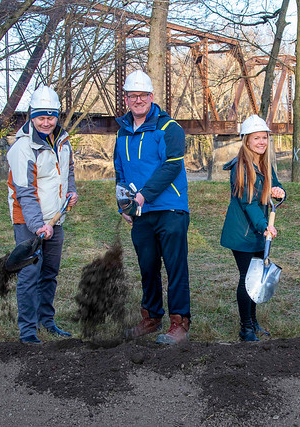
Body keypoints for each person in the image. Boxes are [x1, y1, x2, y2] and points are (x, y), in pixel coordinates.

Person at [114, 70, 191, 344]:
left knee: (175, 266)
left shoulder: (170, 128)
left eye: (142, 95)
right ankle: (151, 318)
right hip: (140, 212)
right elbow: (120, 172)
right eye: (132, 96)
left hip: (170, 209)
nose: (138, 100)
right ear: (126, 99)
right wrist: (124, 204)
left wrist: (144, 195)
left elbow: (172, 166)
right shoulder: (122, 133)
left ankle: (180, 322)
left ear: (151, 97)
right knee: (147, 267)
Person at [6, 86, 79, 344]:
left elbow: (67, 170)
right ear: (31, 116)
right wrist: (38, 226)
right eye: (40, 117)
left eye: (51, 117)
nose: (46, 122)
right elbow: (25, 193)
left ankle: (46, 321)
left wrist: (71, 191)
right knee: (29, 275)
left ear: (57, 116)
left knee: (49, 272)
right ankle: (28, 332)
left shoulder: (62, 139)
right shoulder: (23, 147)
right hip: (29, 221)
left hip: (54, 219)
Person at [220, 115, 285, 341]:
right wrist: (264, 225)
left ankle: (254, 321)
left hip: (258, 232)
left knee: (256, 278)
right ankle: (245, 328)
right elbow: (249, 203)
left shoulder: (264, 163)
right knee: (247, 278)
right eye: (256, 138)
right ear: (246, 140)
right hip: (243, 233)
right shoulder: (241, 167)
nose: (261, 142)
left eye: (264, 138)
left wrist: (279, 192)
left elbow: (275, 187)